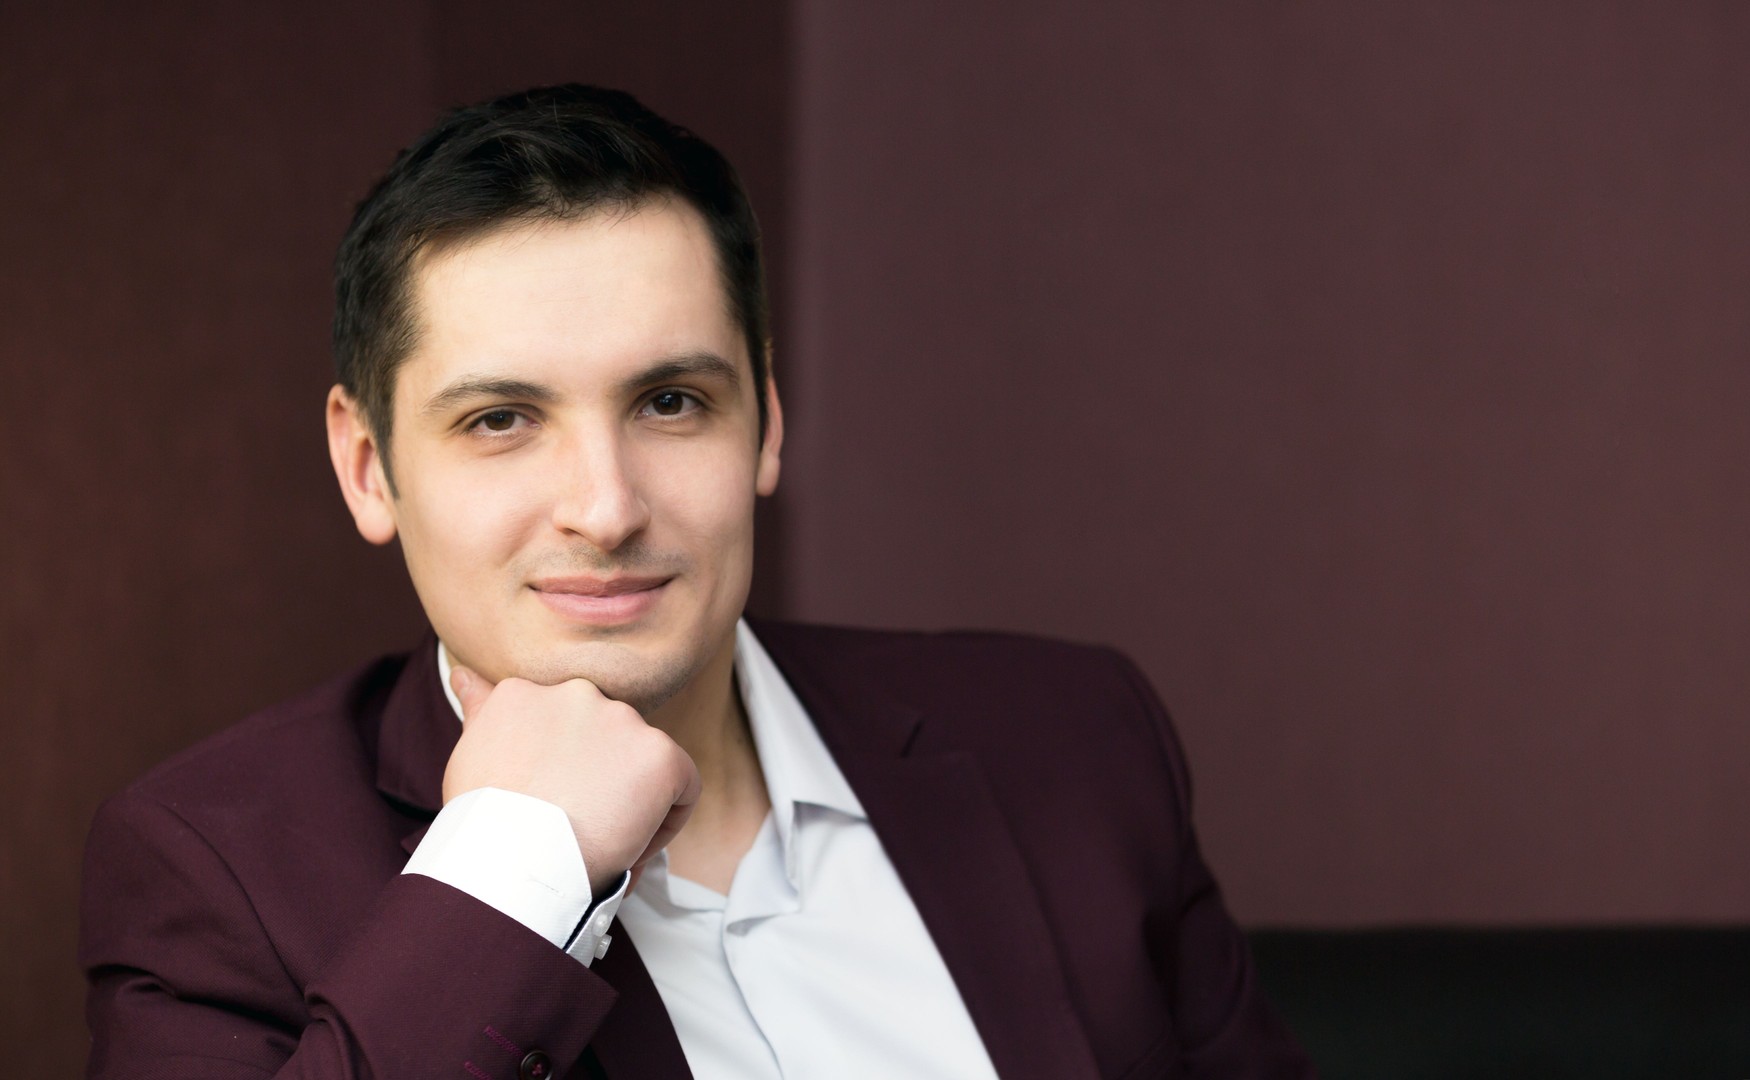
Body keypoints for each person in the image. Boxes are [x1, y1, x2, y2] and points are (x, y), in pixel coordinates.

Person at [79, 84, 1315, 1080]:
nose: (608, 507)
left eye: (670, 402)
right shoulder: (215, 869)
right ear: (368, 467)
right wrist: (515, 869)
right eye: (501, 419)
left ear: (765, 421)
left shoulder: (1076, 738)